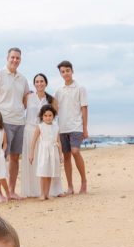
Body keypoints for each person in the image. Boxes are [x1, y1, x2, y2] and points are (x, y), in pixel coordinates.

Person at [0, 48, 28, 200]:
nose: (15, 60)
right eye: (12, 57)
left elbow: (26, 100)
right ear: (7, 58)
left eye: (18, 58)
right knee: (0, 157)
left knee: (15, 158)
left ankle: (11, 190)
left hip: (19, 121)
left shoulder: (23, 79)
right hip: (3, 122)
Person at [19, 73, 64, 198]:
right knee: (33, 161)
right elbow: (19, 110)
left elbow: (55, 117)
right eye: (37, 81)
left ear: (46, 83)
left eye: (42, 81)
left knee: (47, 161)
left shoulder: (51, 99)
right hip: (30, 131)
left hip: (46, 133)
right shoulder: (28, 97)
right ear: (34, 84)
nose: (39, 84)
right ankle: (33, 191)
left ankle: (52, 191)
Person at [54, 60, 89, 194]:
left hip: (76, 127)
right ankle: (70, 186)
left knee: (75, 151)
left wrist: (85, 128)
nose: (65, 73)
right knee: (66, 156)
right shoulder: (58, 91)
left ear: (72, 71)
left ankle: (84, 181)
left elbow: (84, 109)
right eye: (63, 71)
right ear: (61, 74)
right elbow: (54, 110)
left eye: (68, 70)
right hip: (62, 128)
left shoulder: (80, 88)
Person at [28, 104, 63, 201]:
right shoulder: (40, 127)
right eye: (45, 116)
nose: (48, 118)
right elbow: (34, 141)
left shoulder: (56, 127)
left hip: (53, 151)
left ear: (53, 116)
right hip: (43, 151)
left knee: (50, 172)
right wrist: (31, 154)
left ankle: (47, 194)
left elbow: (59, 141)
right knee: (43, 172)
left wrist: (61, 154)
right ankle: (42, 194)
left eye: (50, 115)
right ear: (42, 116)